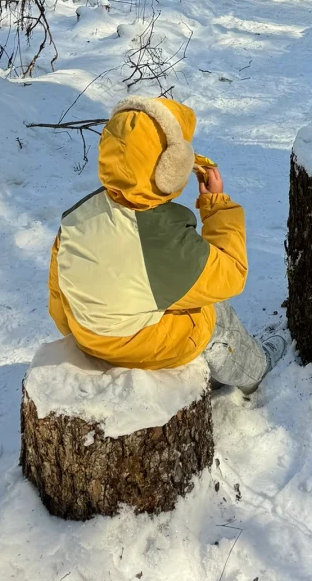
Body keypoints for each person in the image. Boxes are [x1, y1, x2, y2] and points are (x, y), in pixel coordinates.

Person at [48, 96, 285, 394]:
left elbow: (59, 291)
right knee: (213, 313)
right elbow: (232, 274)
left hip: (87, 335)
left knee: (185, 284)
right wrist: (217, 206)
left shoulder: (79, 213)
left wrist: (78, 333)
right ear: (170, 167)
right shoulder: (160, 237)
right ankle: (255, 370)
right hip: (131, 345)